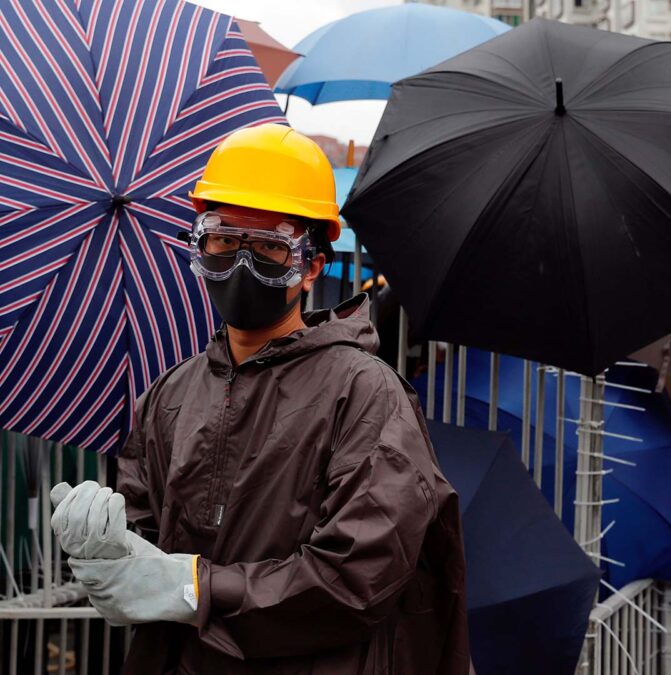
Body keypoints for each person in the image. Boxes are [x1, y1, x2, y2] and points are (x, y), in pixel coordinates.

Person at [47, 124, 469, 674]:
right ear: (199, 246)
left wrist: (197, 588)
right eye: (223, 240)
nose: (241, 264)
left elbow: (358, 576)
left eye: (270, 246)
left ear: (312, 264)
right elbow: (145, 541)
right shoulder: (170, 394)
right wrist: (108, 552)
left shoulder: (365, 394)